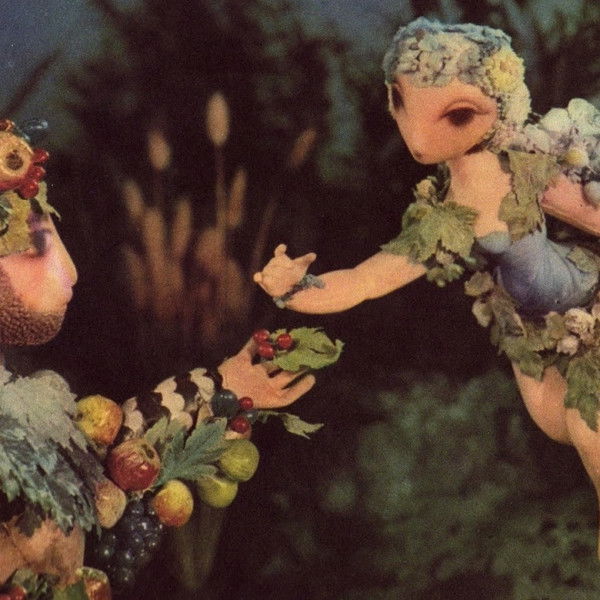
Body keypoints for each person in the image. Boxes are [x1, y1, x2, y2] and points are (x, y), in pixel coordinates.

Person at [254, 18, 600, 553]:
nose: (417, 139)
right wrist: (294, 288)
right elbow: (367, 280)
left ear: (497, 105)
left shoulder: (533, 166)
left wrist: (573, 208)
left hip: (589, 303)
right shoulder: (445, 214)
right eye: (400, 102)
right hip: (533, 332)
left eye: (458, 115)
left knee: (586, 419)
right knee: (559, 423)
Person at [0, 120, 315, 589]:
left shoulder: (24, 400)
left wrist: (221, 385)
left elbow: (106, 466)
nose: (69, 270)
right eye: (36, 246)